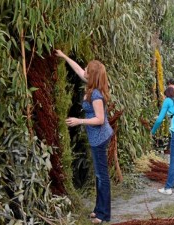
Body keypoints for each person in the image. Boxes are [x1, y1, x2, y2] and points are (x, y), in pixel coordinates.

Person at [55, 50, 113, 224]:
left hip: (100, 138)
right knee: (98, 175)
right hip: (97, 138)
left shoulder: (96, 95)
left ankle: (104, 214)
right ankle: (98, 209)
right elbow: (78, 70)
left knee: (102, 176)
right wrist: (64, 57)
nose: (84, 70)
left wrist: (79, 120)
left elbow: (100, 119)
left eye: (87, 69)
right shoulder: (91, 85)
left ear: (92, 75)